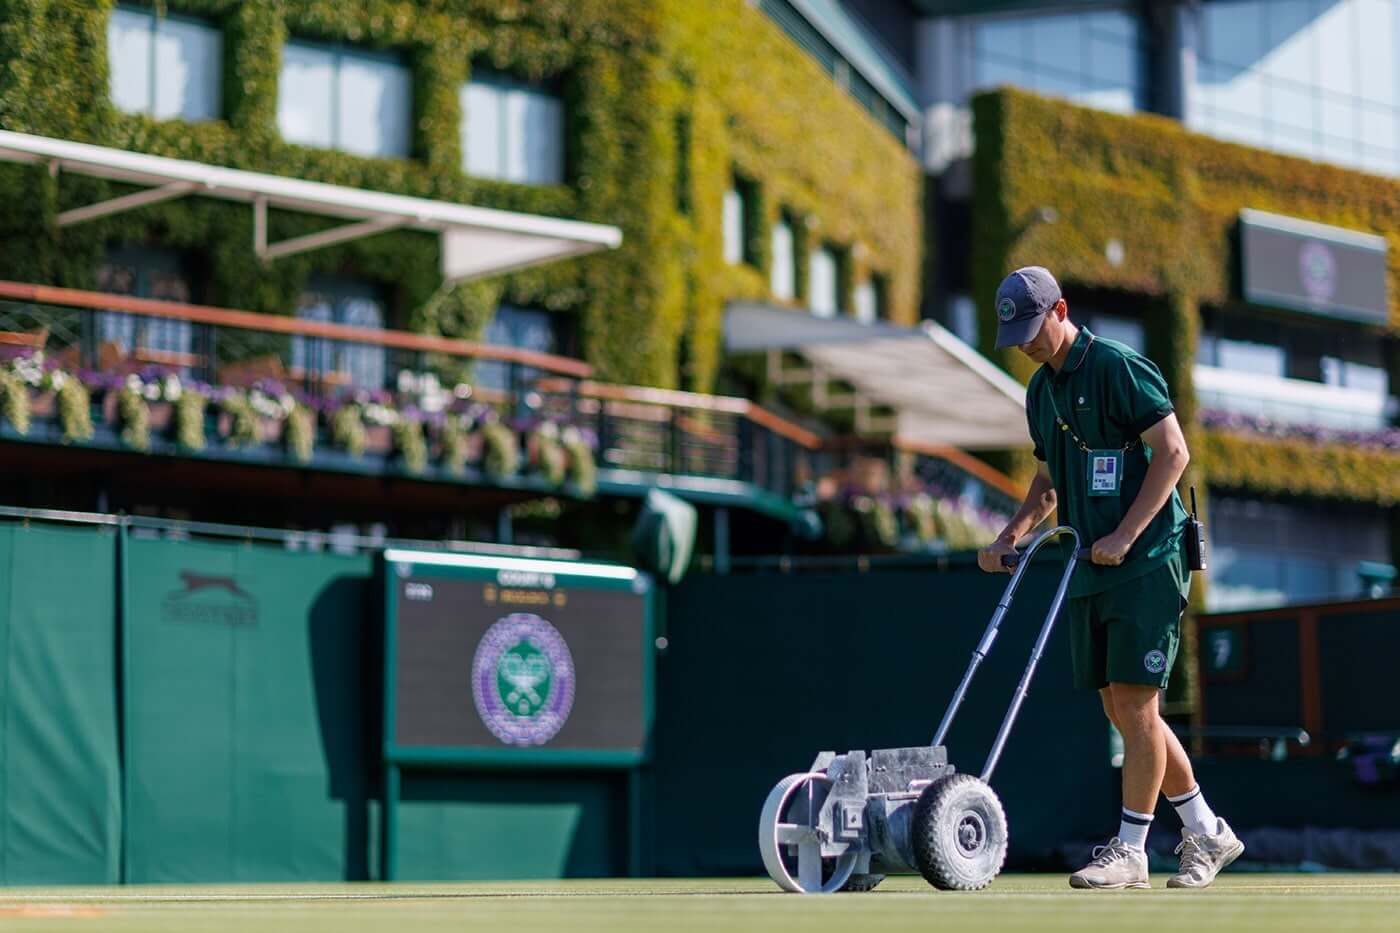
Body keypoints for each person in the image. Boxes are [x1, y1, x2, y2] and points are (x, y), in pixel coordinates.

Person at [976, 266, 1243, 890]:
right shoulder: (1040, 391)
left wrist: (1125, 533)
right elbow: (1048, 483)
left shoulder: (1118, 366)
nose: (1025, 344)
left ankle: (1131, 850)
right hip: (1092, 566)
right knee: (1121, 708)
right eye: (1015, 336)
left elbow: (1174, 452)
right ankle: (1206, 830)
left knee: (1136, 701)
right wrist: (1009, 535)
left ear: (1060, 310)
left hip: (1149, 560)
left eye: (1032, 328)